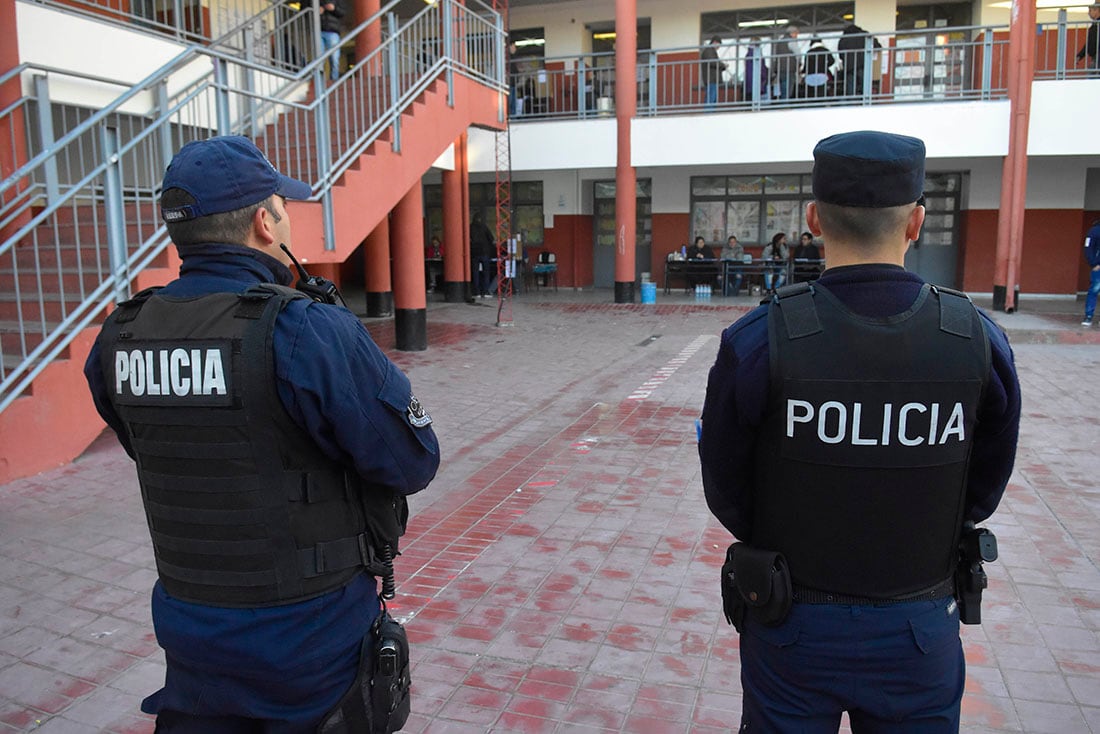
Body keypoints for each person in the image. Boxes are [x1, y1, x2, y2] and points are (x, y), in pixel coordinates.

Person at [82, 136, 440, 732]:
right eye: (282, 203)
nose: (286, 214)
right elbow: (412, 461)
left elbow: (147, 443)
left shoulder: (121, 333)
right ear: (263, 222)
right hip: (309, 637)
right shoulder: (304, 329)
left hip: (190, 629)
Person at [699, 130, 1021, 733]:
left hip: (790, 619)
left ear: (814, 220)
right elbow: (984, 487)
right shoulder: (975, 339)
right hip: (918, 626)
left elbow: (725, 486)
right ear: (917, 222)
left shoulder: (758, 340)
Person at [837, 24, 882, 97]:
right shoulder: (865, 36)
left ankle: (851, 104)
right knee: (864, 87)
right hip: (862, 65)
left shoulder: (843, 39)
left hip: (849, 68)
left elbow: (840, 54)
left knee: (850, 88)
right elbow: (878, 46)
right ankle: (863, 103)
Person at [316, 0, 345, 82]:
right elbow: (303, 9)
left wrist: (334, 9)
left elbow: (343, 12)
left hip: (332, 31)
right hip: (317, 30)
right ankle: (319, 81)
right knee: (319, 59)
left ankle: (334, 80)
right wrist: (314, 12)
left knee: (334, 58)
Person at [470, 212, 495, 298]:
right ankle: (485, 292)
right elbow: (491, 239)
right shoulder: (484, 227)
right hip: (484, 252)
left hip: (474, 253)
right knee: (486, 273)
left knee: (475, 273)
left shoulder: (471, 227)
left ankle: (476, 292)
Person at [772, 27, 800, 101]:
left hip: (780, 69)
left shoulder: (779, 42)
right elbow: (798, 54)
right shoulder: (791, 41)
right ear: (792, 33)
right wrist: (798, 64)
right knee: (788, 89)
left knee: (783, 88)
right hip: (790, 69)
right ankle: (785, 105)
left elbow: (775, 57)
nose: (797, 35)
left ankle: (782, 103)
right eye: (796, 33)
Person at [700, 36, 727, 111]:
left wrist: (722, 66)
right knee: (710, 99)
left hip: (711, 79)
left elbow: (714, 63)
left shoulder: (709, 51)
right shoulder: (709, 51)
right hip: (711, 79)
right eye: (719, 44)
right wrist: (723, 65)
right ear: (715, 42)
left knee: (712, 98)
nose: (719, 47)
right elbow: (713, 62)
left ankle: (709, 114)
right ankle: (708, 115)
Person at [1082, 217, 1100, 326]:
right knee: (1094, 290)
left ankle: (1088, 317)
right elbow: (1088, 248)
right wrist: (1093, 263)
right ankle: (1088, 316)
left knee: (1093, 291)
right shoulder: (1094, 230)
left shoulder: (1094, 230)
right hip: (1098, 267)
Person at [1076, 3, 1100, 75]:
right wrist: (1080, 55)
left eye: (1090, 10)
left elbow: (1090, 42)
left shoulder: (1096, 25)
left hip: (1097, 57)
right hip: (1095, 57)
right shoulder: (1094, 25)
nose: (1088, 13)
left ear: (1097, 11)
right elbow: (1089, 43)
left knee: (1092, 78)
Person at [743, 37, 769, 102]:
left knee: (750, 99)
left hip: (749, 82)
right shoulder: (757, 54)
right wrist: (764, 78)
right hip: (757, 81)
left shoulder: (748, 55)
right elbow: (762, 69)